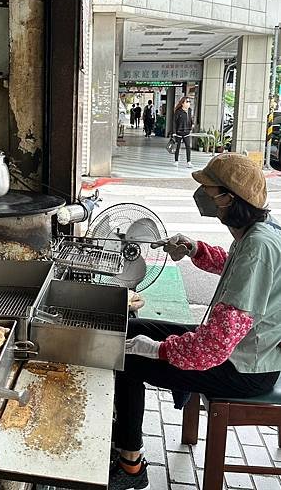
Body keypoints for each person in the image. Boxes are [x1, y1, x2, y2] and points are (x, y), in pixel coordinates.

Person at [109, 153, 281, 490]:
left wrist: (160, 351)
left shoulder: (258, 248)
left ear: (229, 198)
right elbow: (232, 267)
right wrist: (194, 249)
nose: (202, 194)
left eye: (208, 189)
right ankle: (172, 390)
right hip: (240, 351)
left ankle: (131, 466)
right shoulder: (260, 230)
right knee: (131, 330)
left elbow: (214, 347)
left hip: (244, 369)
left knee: (125, 358)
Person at [173, 96, 193, 168]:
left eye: (189, 102)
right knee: (178, 147)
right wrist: (174, 132)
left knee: (188, 147)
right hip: (179, 132)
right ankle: (176, 161)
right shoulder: (178, 111)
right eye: (187, 102)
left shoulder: (190, 110)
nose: (188, 103)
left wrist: (191, 126)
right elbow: (174, 122)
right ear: (182, 103)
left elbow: (190, 119)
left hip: (187, 131)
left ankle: (189, 162)